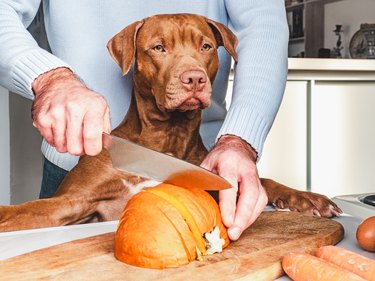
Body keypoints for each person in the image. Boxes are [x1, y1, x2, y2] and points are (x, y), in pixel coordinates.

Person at [0, 1, 289, 241]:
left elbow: (262, 26)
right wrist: (50, 77)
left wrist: (240, 139)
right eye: (161, 49)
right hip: (81, 149)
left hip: (207, 162)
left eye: (204, 48)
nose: (192, 71)